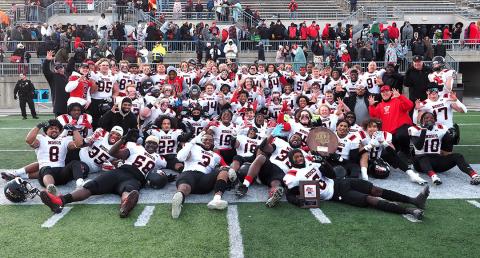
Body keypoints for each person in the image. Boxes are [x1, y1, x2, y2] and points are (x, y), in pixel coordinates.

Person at [40, 132, 168, 218]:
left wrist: (165, 177)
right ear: (145, 143)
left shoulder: (159, 158)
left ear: (157, 146)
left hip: (136, 177)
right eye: (149, 143)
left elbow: (170, 166)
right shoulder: (136, 147)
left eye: (154, 144)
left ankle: (125, 206)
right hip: (120, 171)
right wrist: (123, 139)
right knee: (91, 186)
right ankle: (60, 201)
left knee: (129, 190)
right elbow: (113, 152)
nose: (151, 145)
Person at [283, 149, 429, 220]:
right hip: (337, 194)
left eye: (300, 155)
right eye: (296, 157)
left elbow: (332, 175)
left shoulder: (311, 163)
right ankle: (408, 211)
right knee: (369, 199)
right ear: (291, 160)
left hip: (341, 182)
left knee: (376, 189)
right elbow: (290, 194)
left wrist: (323, 162)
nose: (300, 158)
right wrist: (300, 201)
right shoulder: (291, 175)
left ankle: (414, 200)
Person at [409, 112, 480, 185]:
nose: (429, 119)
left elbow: (450, 142)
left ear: (435, 120)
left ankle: (474, 175)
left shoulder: (440, 128)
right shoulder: (415, 129)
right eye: (426, 118)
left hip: (437, 160)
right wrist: (424, 129)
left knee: (458, 156)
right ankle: (434, 177)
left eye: (431, 118)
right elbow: (419, 146)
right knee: (422, 157)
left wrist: (455, 137)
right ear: (422, 120)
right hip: (420, 164)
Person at [172, 132, 231, 219]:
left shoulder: (216, 155)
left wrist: (230, 171)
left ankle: (216, 199)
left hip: (204, 179)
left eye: (210, 140)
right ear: (200, 140)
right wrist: (192, 142)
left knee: (224, 171)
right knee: (184, 187)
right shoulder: (193, 147)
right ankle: (178, 200)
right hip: (189, 173)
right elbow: (180, 157)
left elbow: (225, 166)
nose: (208, 142)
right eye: (205, 139)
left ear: (213, 143)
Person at [368, 85, 413, 158]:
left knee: (401, 135)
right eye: (383, 92)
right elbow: (374, 117)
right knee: (389, 153)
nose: (385, 93)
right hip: (390, 134)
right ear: (381, 94)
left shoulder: (398, 100)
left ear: (391, 92)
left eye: (387, 91)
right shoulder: (379, 105)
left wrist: (400, 96)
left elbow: (410, 105)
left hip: (401, 129)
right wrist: (371, 106)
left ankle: (407, 154)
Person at [43, 50, 71, 116]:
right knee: (59, 124)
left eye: (61, 67)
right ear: (54, 69)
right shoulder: (53, 77)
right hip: (59, 106)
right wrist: (47, 60)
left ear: (63, 68)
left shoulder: (67, 76)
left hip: (69, 105)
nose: (60, 69)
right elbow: (45, 70)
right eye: (57, 68)